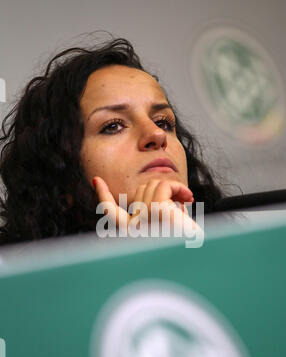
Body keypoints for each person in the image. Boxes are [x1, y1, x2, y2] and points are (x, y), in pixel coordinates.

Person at [0, 35, 228, 245]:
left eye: (163, 123)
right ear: (58, 173)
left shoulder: (245, 255)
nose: (156, 135)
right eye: (113, 126)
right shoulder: (24, 287)